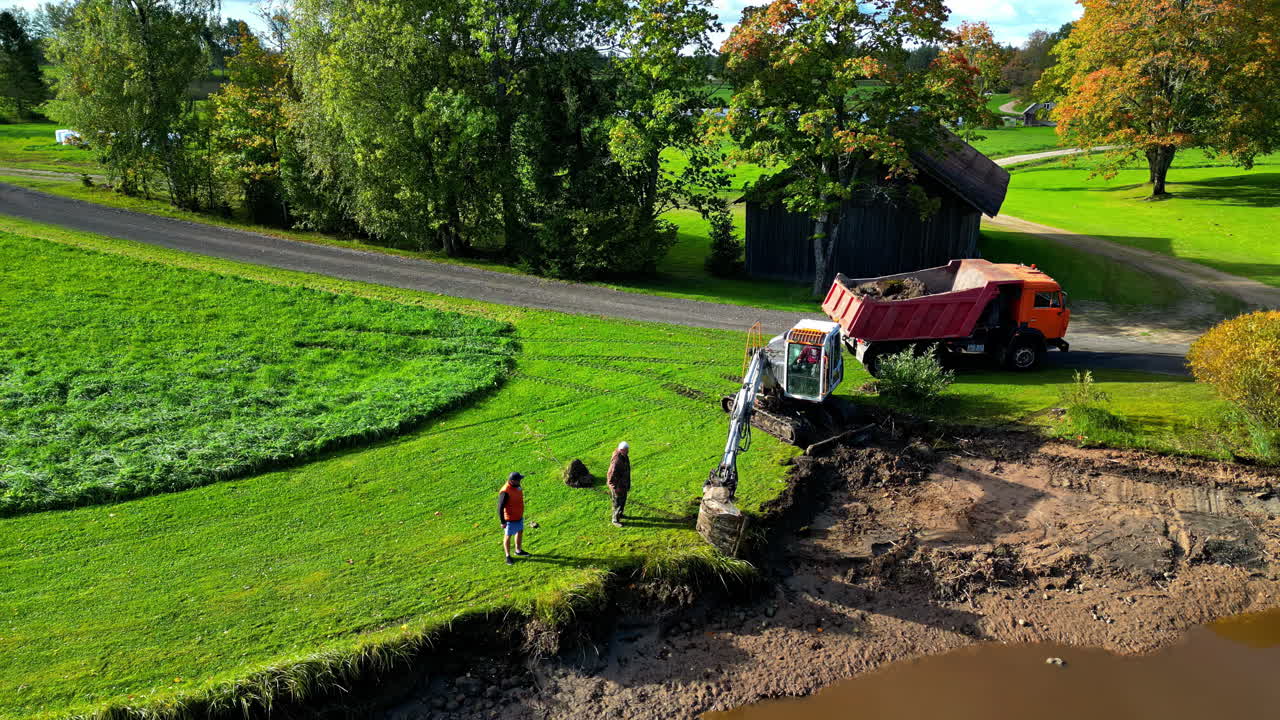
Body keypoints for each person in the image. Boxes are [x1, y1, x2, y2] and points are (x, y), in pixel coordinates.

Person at [498, 471, 530, 565]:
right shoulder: (505, 492)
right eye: (518, 480)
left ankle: (518, 550)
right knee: (508, 536)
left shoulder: (517, 486)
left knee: (519, 531)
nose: (520, 481)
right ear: (512, 481)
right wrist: (503, 522)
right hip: (509, 519)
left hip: (518, 516)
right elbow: (500, 507)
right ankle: (508, 556)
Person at [607, 441, 631, 527]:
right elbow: (611, 476)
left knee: (623, 501)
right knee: (617, 503)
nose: (628, 452)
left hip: (623, 485)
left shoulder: (624, 456)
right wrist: (614, 488)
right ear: (621, 450)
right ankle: (615, 520)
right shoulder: (617, 461)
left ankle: (620, 514)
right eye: (626, 450)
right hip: (618, 487)